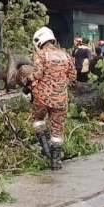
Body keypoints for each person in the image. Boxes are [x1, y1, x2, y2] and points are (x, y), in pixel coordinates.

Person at [29, 26, 77, 170]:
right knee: (57, 129)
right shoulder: (65, 55)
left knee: (38, 121)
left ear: (40, 40)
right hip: (60, 99)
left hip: (42, 97)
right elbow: (73, 76)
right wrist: (61, 85)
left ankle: (45, 150)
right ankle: (56, 161)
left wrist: (28, 80)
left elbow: (37, 74)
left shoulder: (41, 55)